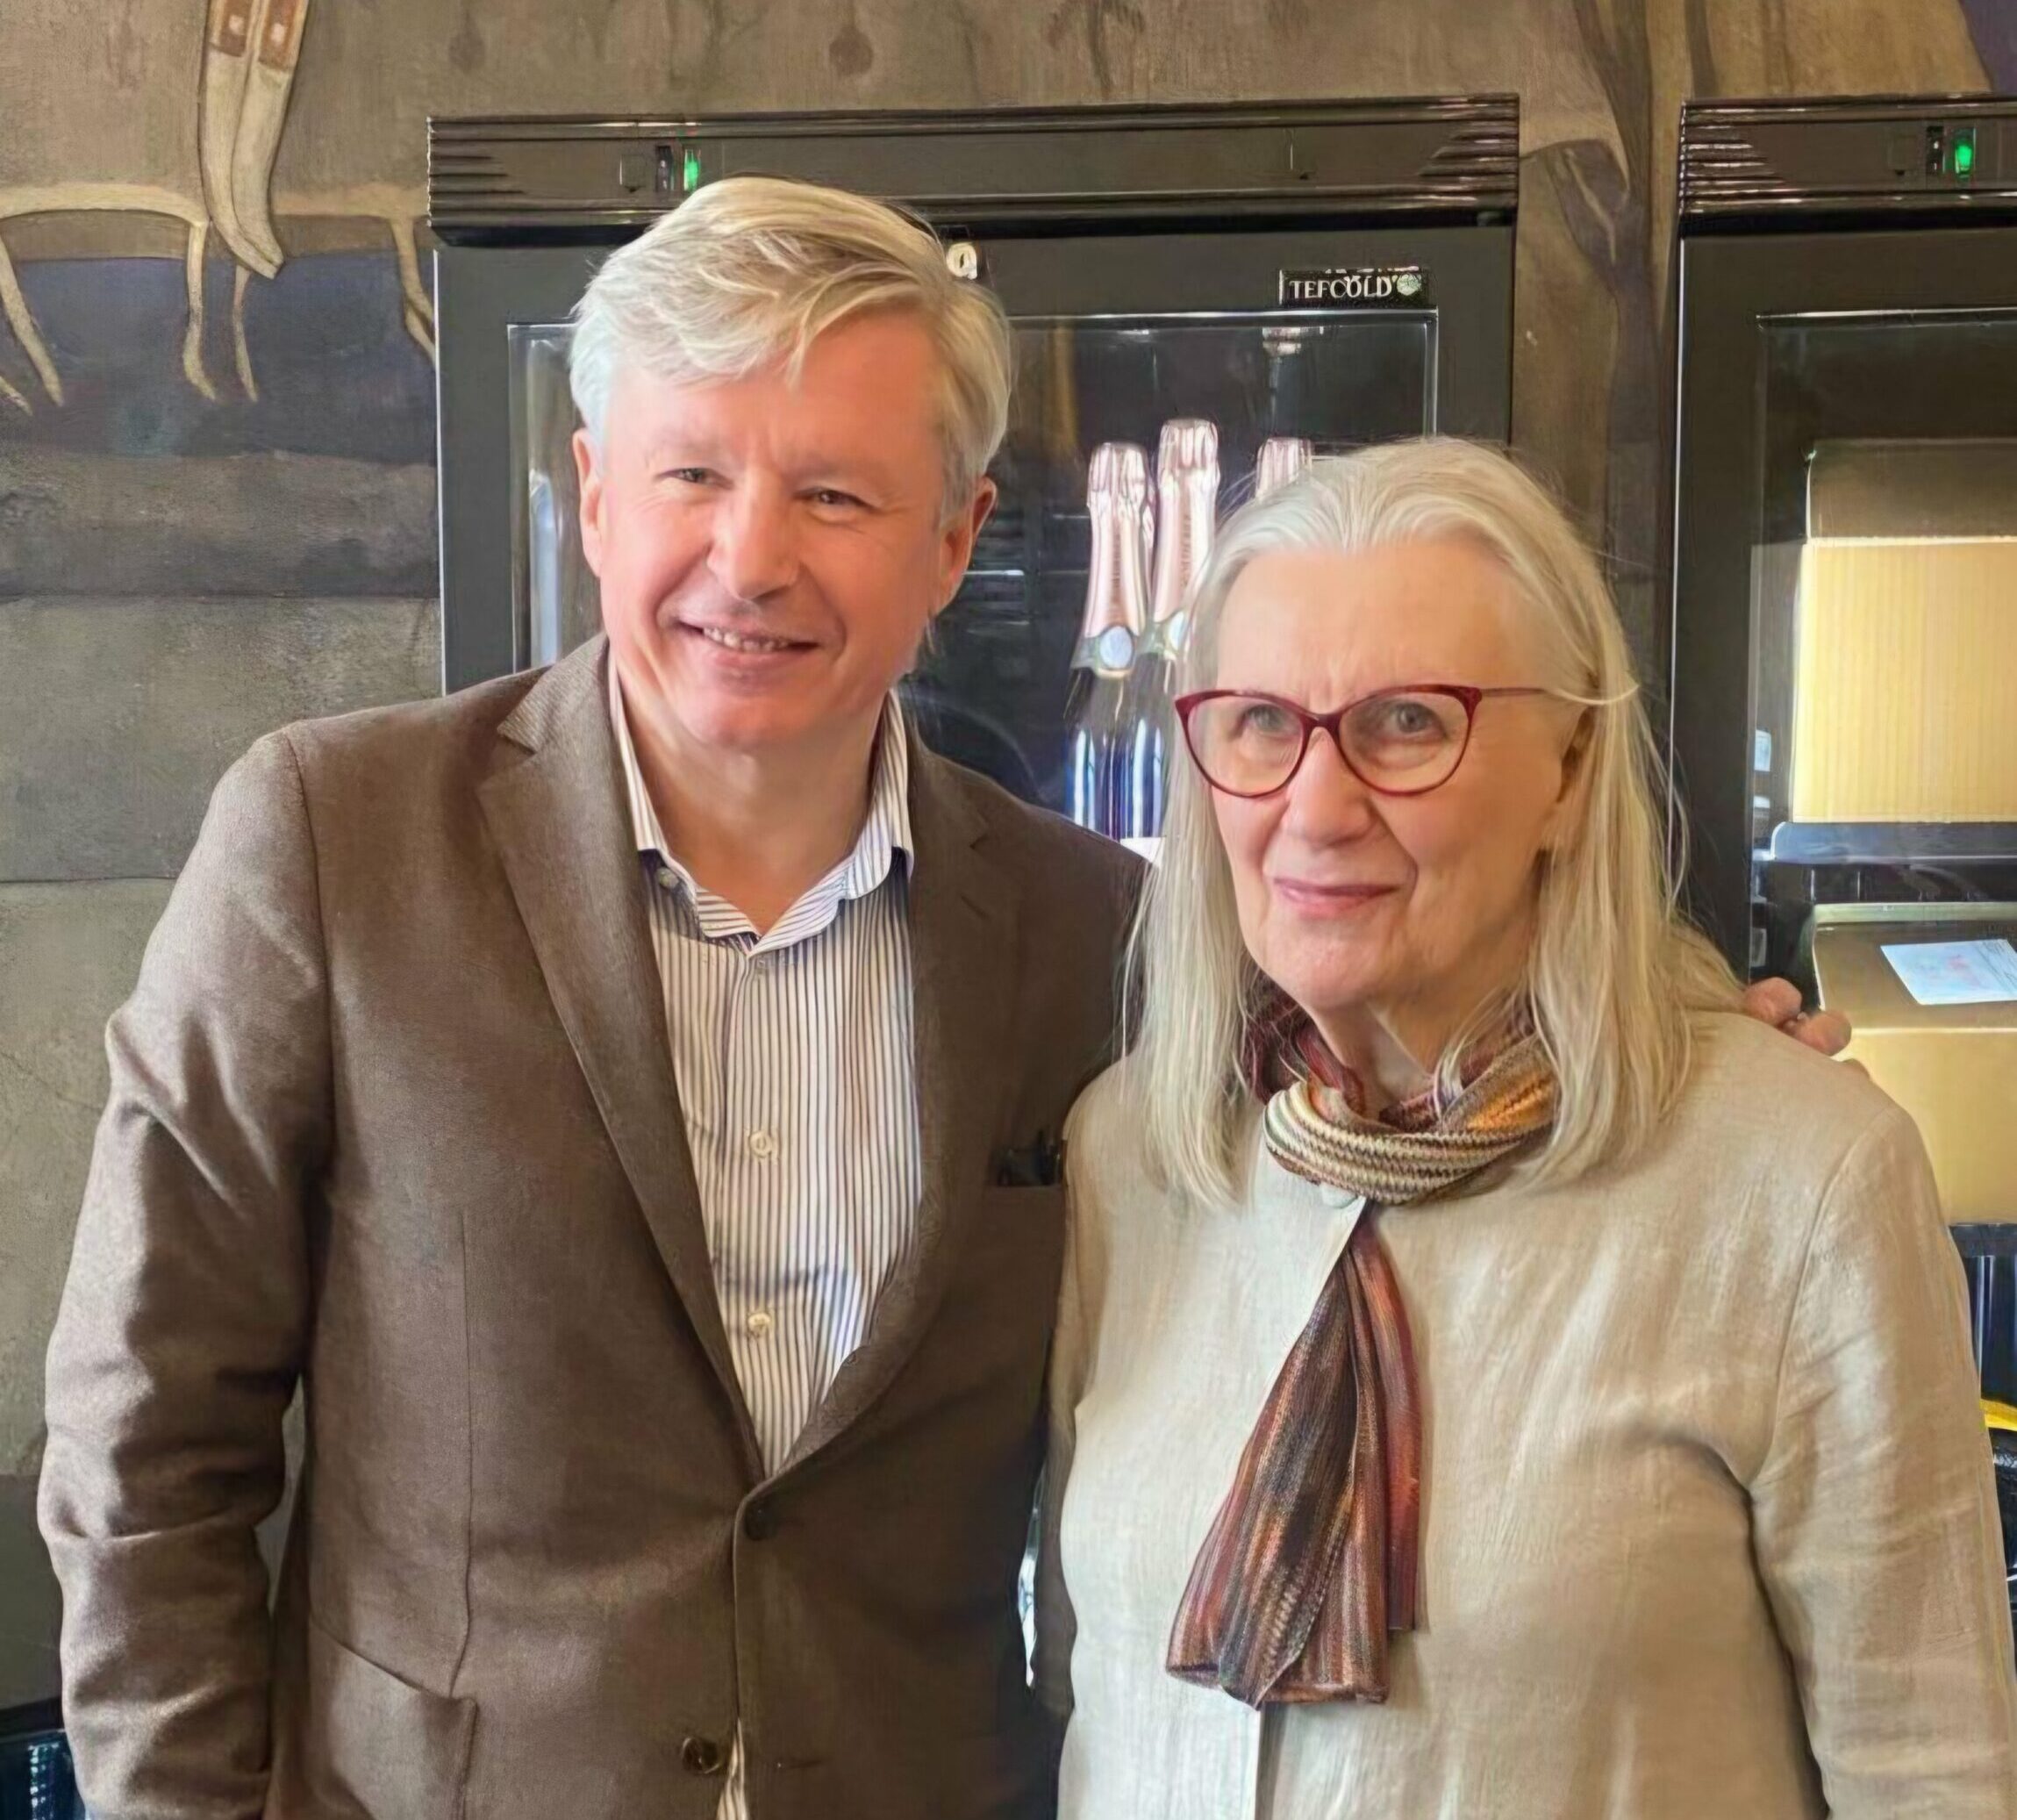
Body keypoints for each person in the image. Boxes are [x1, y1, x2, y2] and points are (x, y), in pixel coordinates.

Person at [39, 179, 1846, 1820]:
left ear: (957, 538)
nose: (752, 557)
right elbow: (146, 1437)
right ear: (591, 493)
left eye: (834, 493)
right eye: (691, 476)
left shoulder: (1093, 932)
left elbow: (1395, 1077)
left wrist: (1686, 1055)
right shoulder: (334, 839)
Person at [1034, 440, 2016, 1819]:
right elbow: (1087, 1700)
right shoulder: (1136, 1154)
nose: (1316, 806)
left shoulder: (1801, 1180)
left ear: (1568, 766)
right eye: (1258, 721)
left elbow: (1934, 1772)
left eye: (1406, 722)